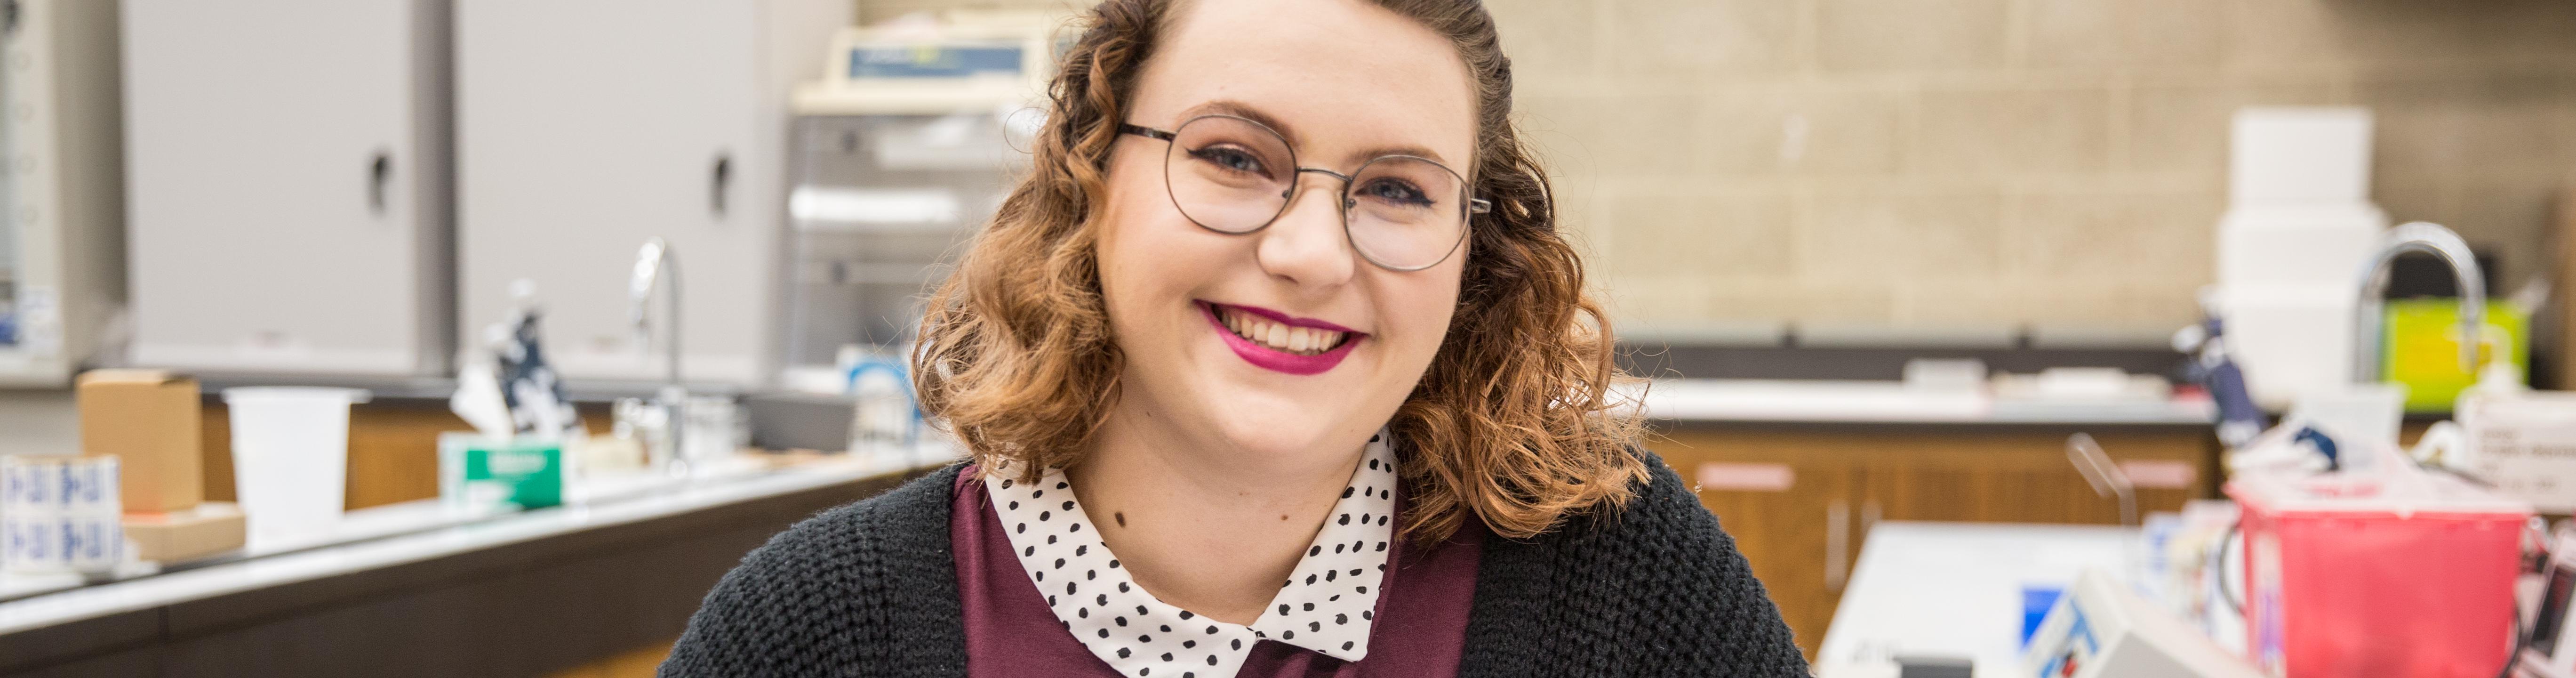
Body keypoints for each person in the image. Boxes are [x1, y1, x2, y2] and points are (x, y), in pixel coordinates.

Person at [660, 0, 1806, 675]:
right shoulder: (813, 633)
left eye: (1398, 190)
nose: (1313, 253)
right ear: (1094, 177)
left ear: (1472, 253)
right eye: (1233, 157)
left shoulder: (1618, 577)